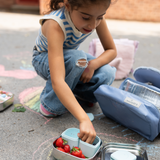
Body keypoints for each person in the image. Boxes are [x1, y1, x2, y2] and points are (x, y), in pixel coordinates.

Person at [32, 0, 117, 144]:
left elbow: (112, 50)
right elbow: (57, 80)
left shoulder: (94, 15)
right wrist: (83, 119)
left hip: (70, 59)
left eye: (100, 17)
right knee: (78, 59)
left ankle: (81, 94)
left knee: (107, 72)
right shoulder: (55, 24)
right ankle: (49, 104)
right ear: (68, 6)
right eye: (85, 18)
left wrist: (93, 65)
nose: (92, 25)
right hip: (43, 59)